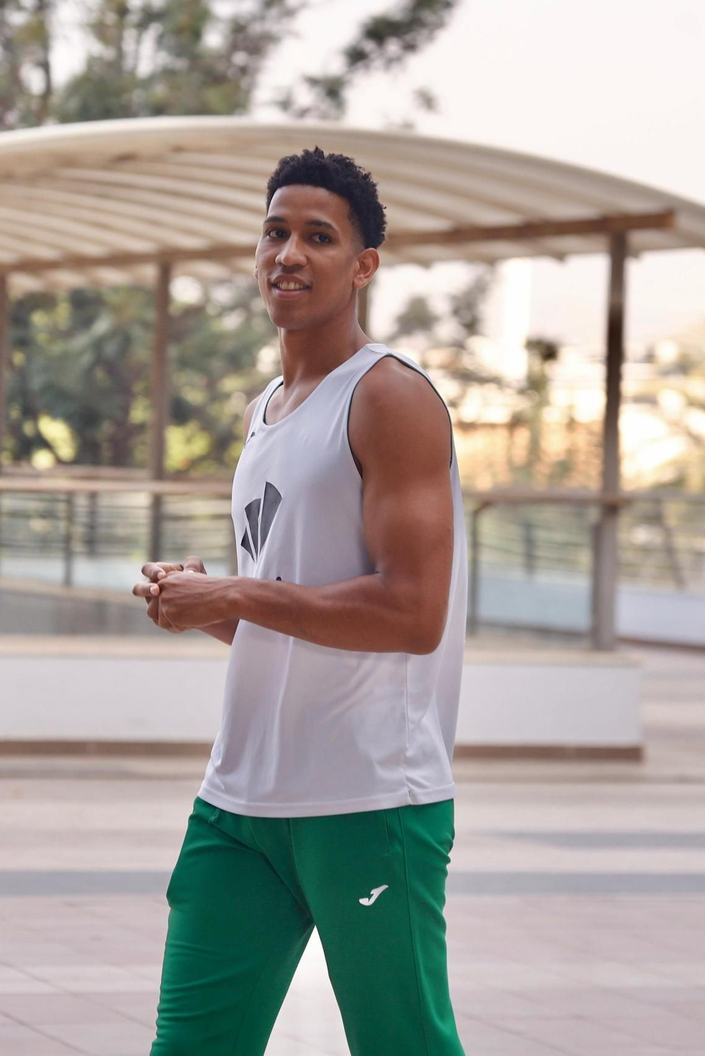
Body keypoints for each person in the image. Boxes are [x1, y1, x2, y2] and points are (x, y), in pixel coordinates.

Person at [134, 148, 467, 1056]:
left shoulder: (389, 395)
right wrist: (206, 606)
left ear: (363, 265)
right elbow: (294, 613)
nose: (288, 252)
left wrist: (236, 587)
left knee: (404, 1046)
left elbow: (410, 613)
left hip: (365, 799)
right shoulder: (268, 411)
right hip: (241, 799)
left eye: (318, 237)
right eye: (275, 231)